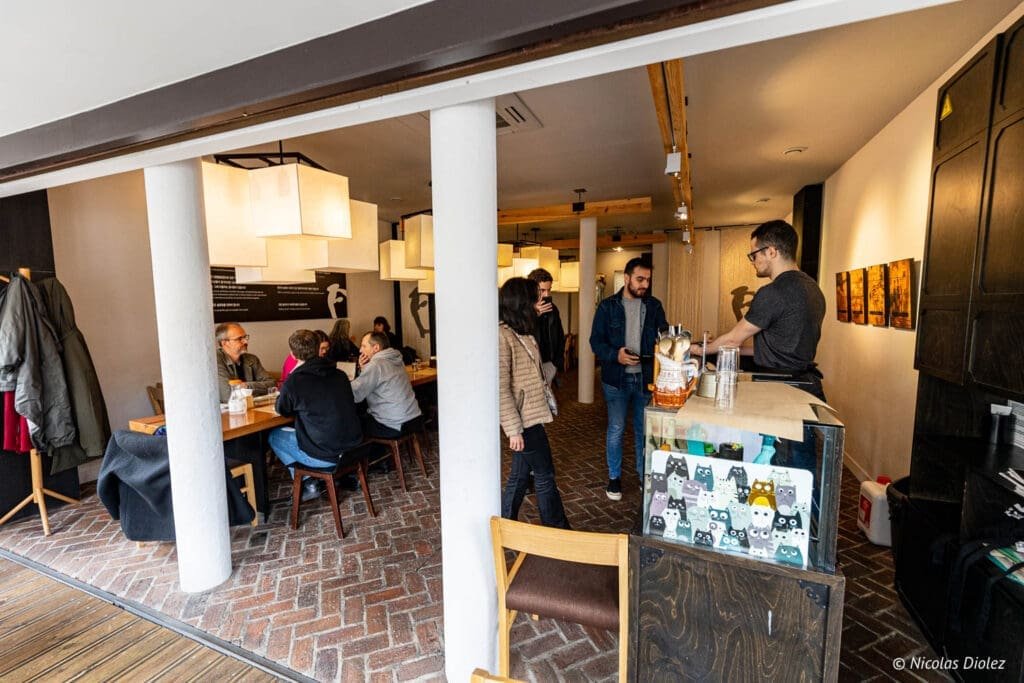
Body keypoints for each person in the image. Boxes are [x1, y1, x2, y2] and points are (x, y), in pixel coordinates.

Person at [692, 219, 826, 472]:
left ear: (772, 251)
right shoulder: (813, 289)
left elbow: (733, 339)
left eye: (754, 254)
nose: (752, 261)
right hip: (807, 388)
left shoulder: (774, 292)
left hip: (779, 391)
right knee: (802, 467)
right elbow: (778, 346)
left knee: (776, 466)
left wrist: (697, 349)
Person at [590, 257, 667, 501]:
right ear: (626, 278)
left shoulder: (654, 306)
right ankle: (614, 478)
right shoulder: (607, 307)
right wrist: (616, 355)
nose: (644, 284)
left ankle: (644, 477)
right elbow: (595, 342)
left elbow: (664, 337)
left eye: (647, 280)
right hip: (616, 380)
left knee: (644, 432)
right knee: (616, 428)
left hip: (646, 378)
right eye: (640, 279)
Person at [499, 277, 570, 529]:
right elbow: (501, 387)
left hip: (531, 413)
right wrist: (513, 429)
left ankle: (505, 523)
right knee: (544, 474)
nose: (539, 302)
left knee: (519, 475)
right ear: (522, 302)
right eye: (534, 297)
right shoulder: (502, 335)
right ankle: (557, 529)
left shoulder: (522, 331)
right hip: (523, 419)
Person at [269, 329, 365, 502]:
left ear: (293, 354)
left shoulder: (295, 381)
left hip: (327, 456)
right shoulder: (340, 374)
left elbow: (282, 409)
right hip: (354, 447)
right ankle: (313, 481)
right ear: (318, 348)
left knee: (275, 436)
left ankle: (308, 482)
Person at [351, 331, 421, 438]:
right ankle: (379, 450)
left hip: (394, 424)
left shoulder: (375, 364)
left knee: (353, 422)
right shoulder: (396, 359)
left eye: (364, 346)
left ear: (376, 348)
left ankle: (371, 454)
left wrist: (341, 383)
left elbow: (356, 394)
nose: (360, 350)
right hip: (413, 418)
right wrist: (364, 369)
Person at [215, 322, 276, 402]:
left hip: (253, 407)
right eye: (240, 339)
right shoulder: (216, 360)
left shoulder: (252, 359)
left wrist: (246, 386)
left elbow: (272, 385)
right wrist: (258, 389)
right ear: (225, 343)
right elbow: (228, 395)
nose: (245, 342)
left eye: (245, 337)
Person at [527, 268, 565, 386]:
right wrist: (535, 314)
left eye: (549, 290)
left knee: (546, 400)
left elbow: (560, 335)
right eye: (542, 290)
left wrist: (556, 363)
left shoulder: (553, 309)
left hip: (549, 363)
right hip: (530, 365)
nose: (547, 294)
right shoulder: (524, 309)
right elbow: (523, 335)